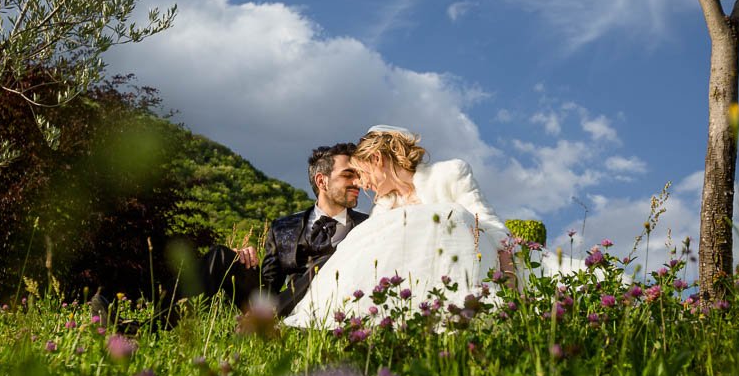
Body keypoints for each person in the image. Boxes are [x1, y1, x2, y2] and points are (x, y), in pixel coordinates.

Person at [284, 125, 515, 328]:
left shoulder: (449, 174)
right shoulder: (384, 208)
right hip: (415, 291)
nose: (362, 183)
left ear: (377, 160)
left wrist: (509, 275)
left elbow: (487, 222)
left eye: (363, 173)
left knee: (447, 214)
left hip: (469, 271)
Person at [200, 142, 369, 315]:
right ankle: (172, 314)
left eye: (358, 175)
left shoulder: (369, 226)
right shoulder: (283, 228)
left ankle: (267, 315)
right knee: (221, 256)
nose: (357, 182)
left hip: (338, 309)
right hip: (285, 309)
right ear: (321, 181)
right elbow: (269, 287)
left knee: (328, 261)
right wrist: (243, 264)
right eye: (348, 175)